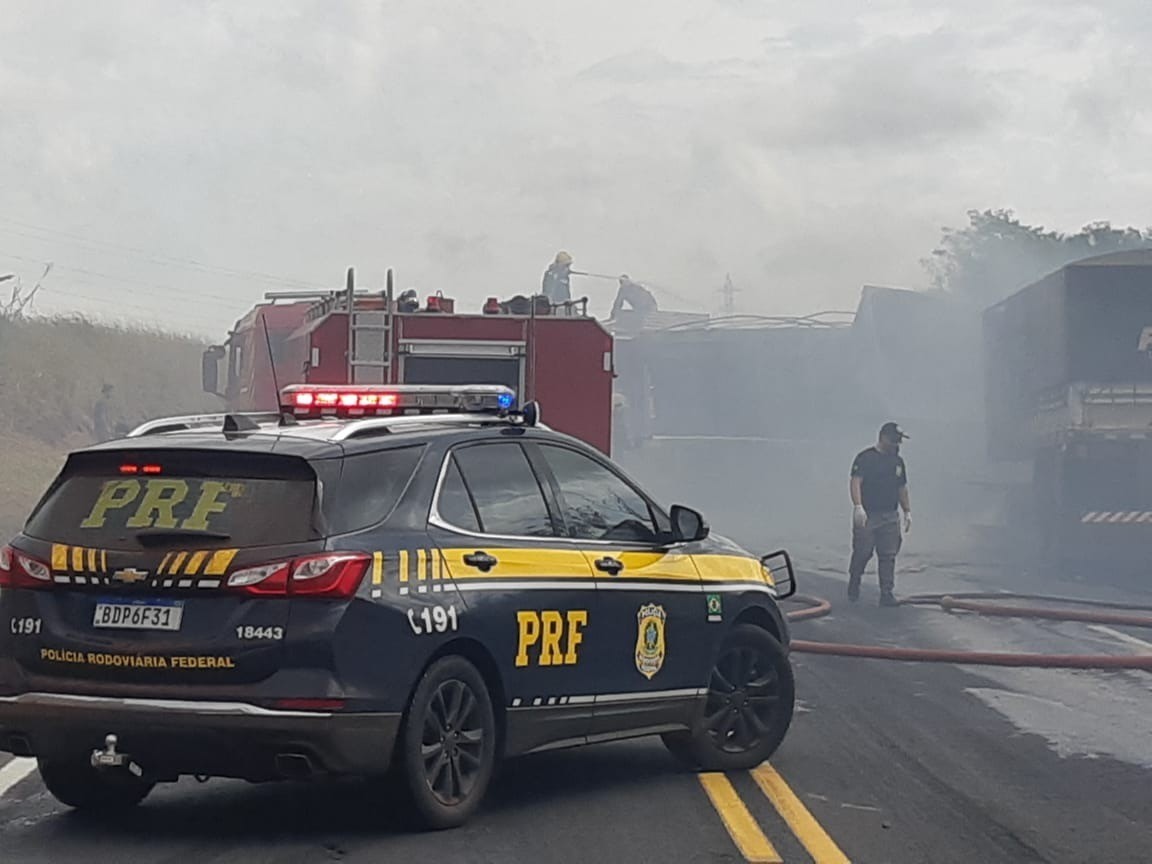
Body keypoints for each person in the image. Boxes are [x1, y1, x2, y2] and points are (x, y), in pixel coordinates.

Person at [848, 422, 912, 606]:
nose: (896, 445)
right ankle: (855, 579)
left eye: (898, 442)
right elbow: (856, 482)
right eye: (894, 441)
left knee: (888, 555)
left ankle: (886, 593)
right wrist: (858, 506)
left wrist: (907, 511)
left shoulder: (898, 462)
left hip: (890, 515)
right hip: (868, 514)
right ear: (883, 437)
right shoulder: (865, 458)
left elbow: (902, 487)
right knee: (863, 551)